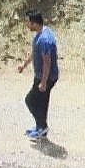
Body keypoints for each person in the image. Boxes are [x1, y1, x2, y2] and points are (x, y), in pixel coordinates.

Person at [18, 10, 58, 141]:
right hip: (43, 76)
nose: (27, 25)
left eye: (28, 22)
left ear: (34, 23)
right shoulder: (41, 34)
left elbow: (47, 62)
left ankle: (42, 127)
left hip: (46, 77)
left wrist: (44, 82)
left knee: (30, 100)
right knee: (41, 102)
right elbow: (35, 52)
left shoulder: (44, 39)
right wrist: (24, 65)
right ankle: (40, 128)